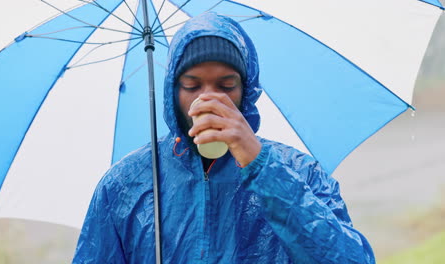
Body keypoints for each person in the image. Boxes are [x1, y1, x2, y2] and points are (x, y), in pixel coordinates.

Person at [73, 12, 375, 263]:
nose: (209, 100)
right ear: (171, 92)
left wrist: (260, 164)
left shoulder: (298, 172)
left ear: (247, 91)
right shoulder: (125, 185)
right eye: (192, 86)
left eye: (226, 85)